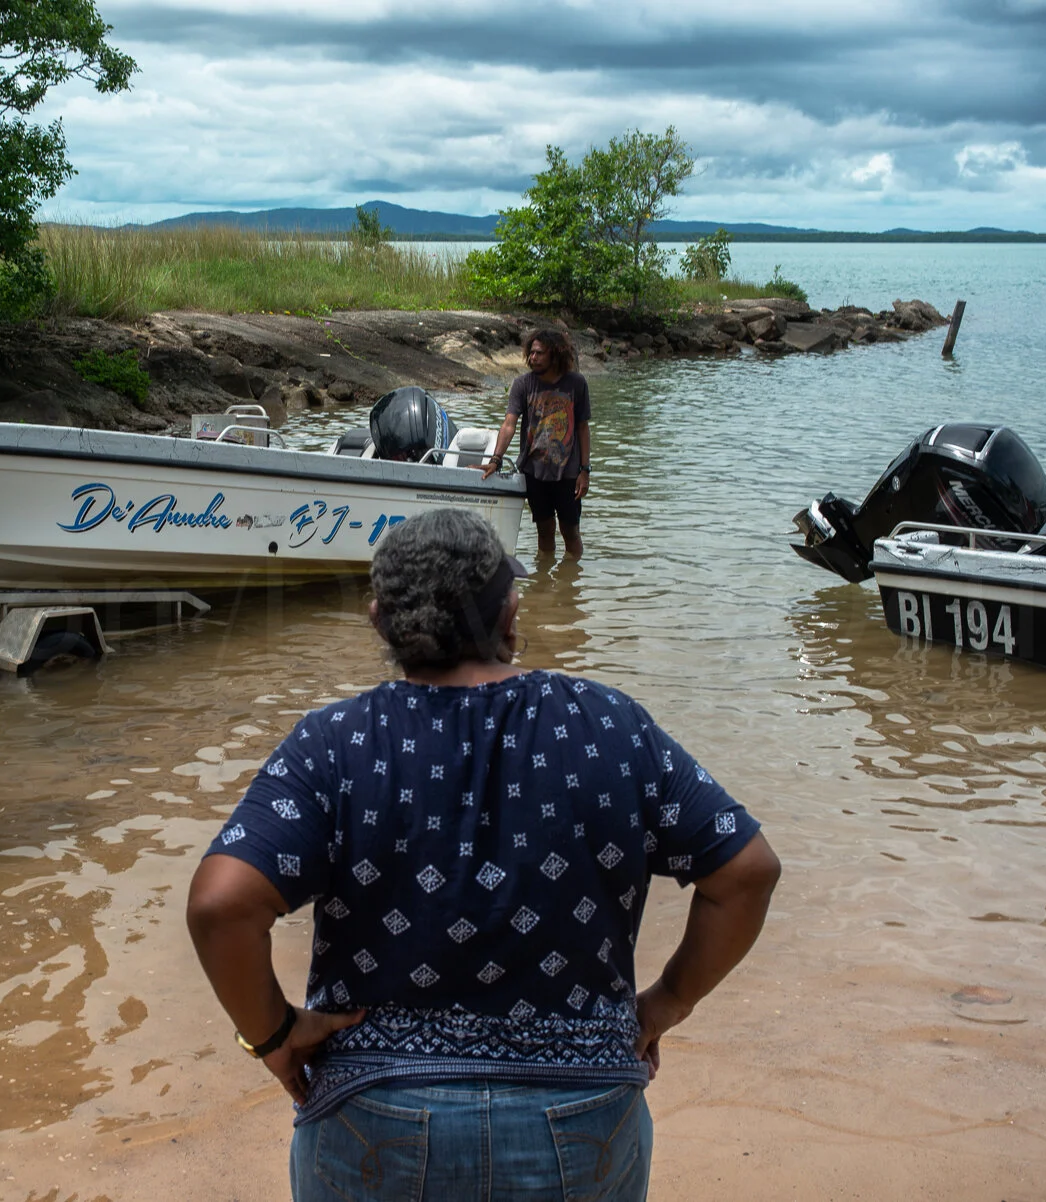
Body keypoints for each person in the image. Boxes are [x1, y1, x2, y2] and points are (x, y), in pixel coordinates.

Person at [187, 508, 779, 1202]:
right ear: (509, 610)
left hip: (379, 1112)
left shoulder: (335, 742)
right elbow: (746, 872)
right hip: (582, 1110)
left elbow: (221, 906)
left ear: (379, 620)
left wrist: (274, 1035)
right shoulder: (607, 723)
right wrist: (667, 1003)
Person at [484, 328, 592, 560]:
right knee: (544, 532)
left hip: (568, 473)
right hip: (534, 471)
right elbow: (509, 424)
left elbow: (583, 428)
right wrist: (495, 459)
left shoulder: (576, 383)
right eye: (531, 353)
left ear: (555, 355)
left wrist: (585, 470)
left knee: (570, 532)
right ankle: (542, 583)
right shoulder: (523, 384)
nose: (533, 358)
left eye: (539, 353)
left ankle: (570, 585)